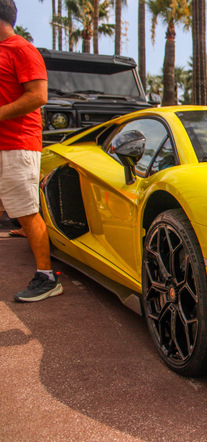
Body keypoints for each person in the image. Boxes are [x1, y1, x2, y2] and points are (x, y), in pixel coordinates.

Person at [0, 0, 63, 302]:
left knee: (27, 214)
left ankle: (47, 277)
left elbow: (38, 95)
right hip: (3, 145)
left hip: (18, 145)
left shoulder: (22, 49)